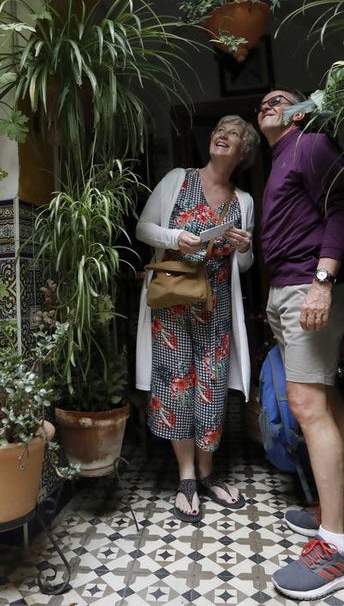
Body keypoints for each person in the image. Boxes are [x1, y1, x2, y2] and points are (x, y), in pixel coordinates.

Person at [255, 88, 344, 599]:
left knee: (306, 404)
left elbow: (340, 210)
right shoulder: (281, 159)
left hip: (309, 284)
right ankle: (342, 511)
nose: (267, 103)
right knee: (324, 396)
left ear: (301, 110)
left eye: (279, 98)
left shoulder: (309, 143)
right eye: (262, 102)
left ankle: (336, 549)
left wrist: (322, 281)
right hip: (289, 287)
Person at [135, 115, 259, 523]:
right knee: (175, 383)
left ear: (244, 152)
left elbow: (244, 267)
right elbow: (143, 228)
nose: (222, 133)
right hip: (173, 301)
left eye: (234, 132)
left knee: (211, 383)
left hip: (216, 303)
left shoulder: (243, 202)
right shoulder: (178, 179)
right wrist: (176, 238)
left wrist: (243, 248)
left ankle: (207, 473)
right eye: (219, 127)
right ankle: (186, 475)